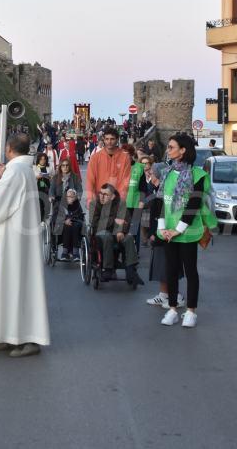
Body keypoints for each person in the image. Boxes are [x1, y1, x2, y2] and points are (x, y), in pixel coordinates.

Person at [0, 133, 50, 358]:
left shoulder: (17, 171)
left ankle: (27, 338)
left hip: (15, 242)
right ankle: (8, 334)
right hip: (12, 238)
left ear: (9, 148)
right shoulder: (20, 170)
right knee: (9, 285)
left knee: (19, 286)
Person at [157, 134, 217, 328]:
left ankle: (191, 311)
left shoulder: (198, 175)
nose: (168, 149)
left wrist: (177, 230)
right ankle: (173, 309)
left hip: (189, 231)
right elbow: (161, 202)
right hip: (168, 231)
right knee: (171, 270)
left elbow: (194, 204)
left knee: (191, 271)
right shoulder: (166, 173)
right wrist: (163, 228)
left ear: (183, 150)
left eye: (172, 147)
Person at [144, 163, 184, 307]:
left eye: (152, 172)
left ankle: (177, 297)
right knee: (161, 265)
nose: (149, 174)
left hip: (167, 233)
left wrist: (156, 232)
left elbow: (165, 215)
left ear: (159, 175)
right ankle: (163, 294)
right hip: (159, 232)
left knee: (169, 265)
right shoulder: (156, 189)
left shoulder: (166, 191)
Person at [88, 184, 141, 284]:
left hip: (118, 232)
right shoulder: (94, 204)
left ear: (113, 196)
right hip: (101, 232)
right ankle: (108, 269)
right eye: (101, 193)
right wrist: (114, 220)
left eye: (105, 194)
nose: (102, 196)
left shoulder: (121, 203)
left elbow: (127, 221)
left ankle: (131, 270)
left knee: (129, 238)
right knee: (107, 236)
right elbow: (95, 223)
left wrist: (121, 231)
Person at [86, 126, 132, 206]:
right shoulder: (95, 157)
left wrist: (121, 198)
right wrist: (90, 198)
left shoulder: (125, 157)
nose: (109, 142)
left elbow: (126, 180)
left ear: (117, 140)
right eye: (107, 139)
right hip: (99, 199)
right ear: (103, 139)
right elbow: (90, 179)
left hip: (117, 200)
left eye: (112, 139)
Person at [54, 189, 84, 261]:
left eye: (72, 196)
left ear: (75, 197)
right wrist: (64, 221)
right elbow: (55, 216)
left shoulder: (77, 205)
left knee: (75, 226)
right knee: (67, 226)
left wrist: (71, 219)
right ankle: (65, 253)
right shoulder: (61, 204)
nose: (69, 198)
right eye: (68, 196)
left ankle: (76, 253)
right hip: (63, 225)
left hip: (76, 223)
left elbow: (80, 216)